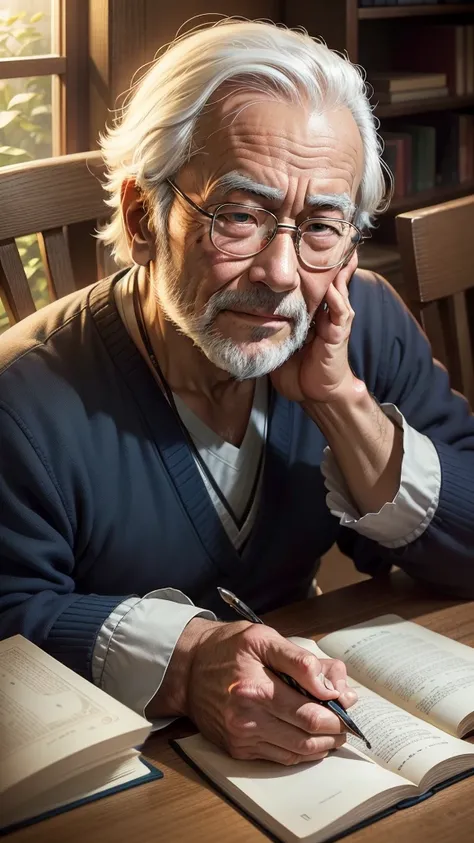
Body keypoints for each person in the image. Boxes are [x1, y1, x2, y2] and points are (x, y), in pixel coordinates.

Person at [0, 19, 473, 768]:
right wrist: (188, 662)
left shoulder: (361, 321)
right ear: (141, 217)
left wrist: (342, 402)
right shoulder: (21, 401)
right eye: (241, 216)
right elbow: (10, 618)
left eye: (322, 224)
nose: (283, 272)